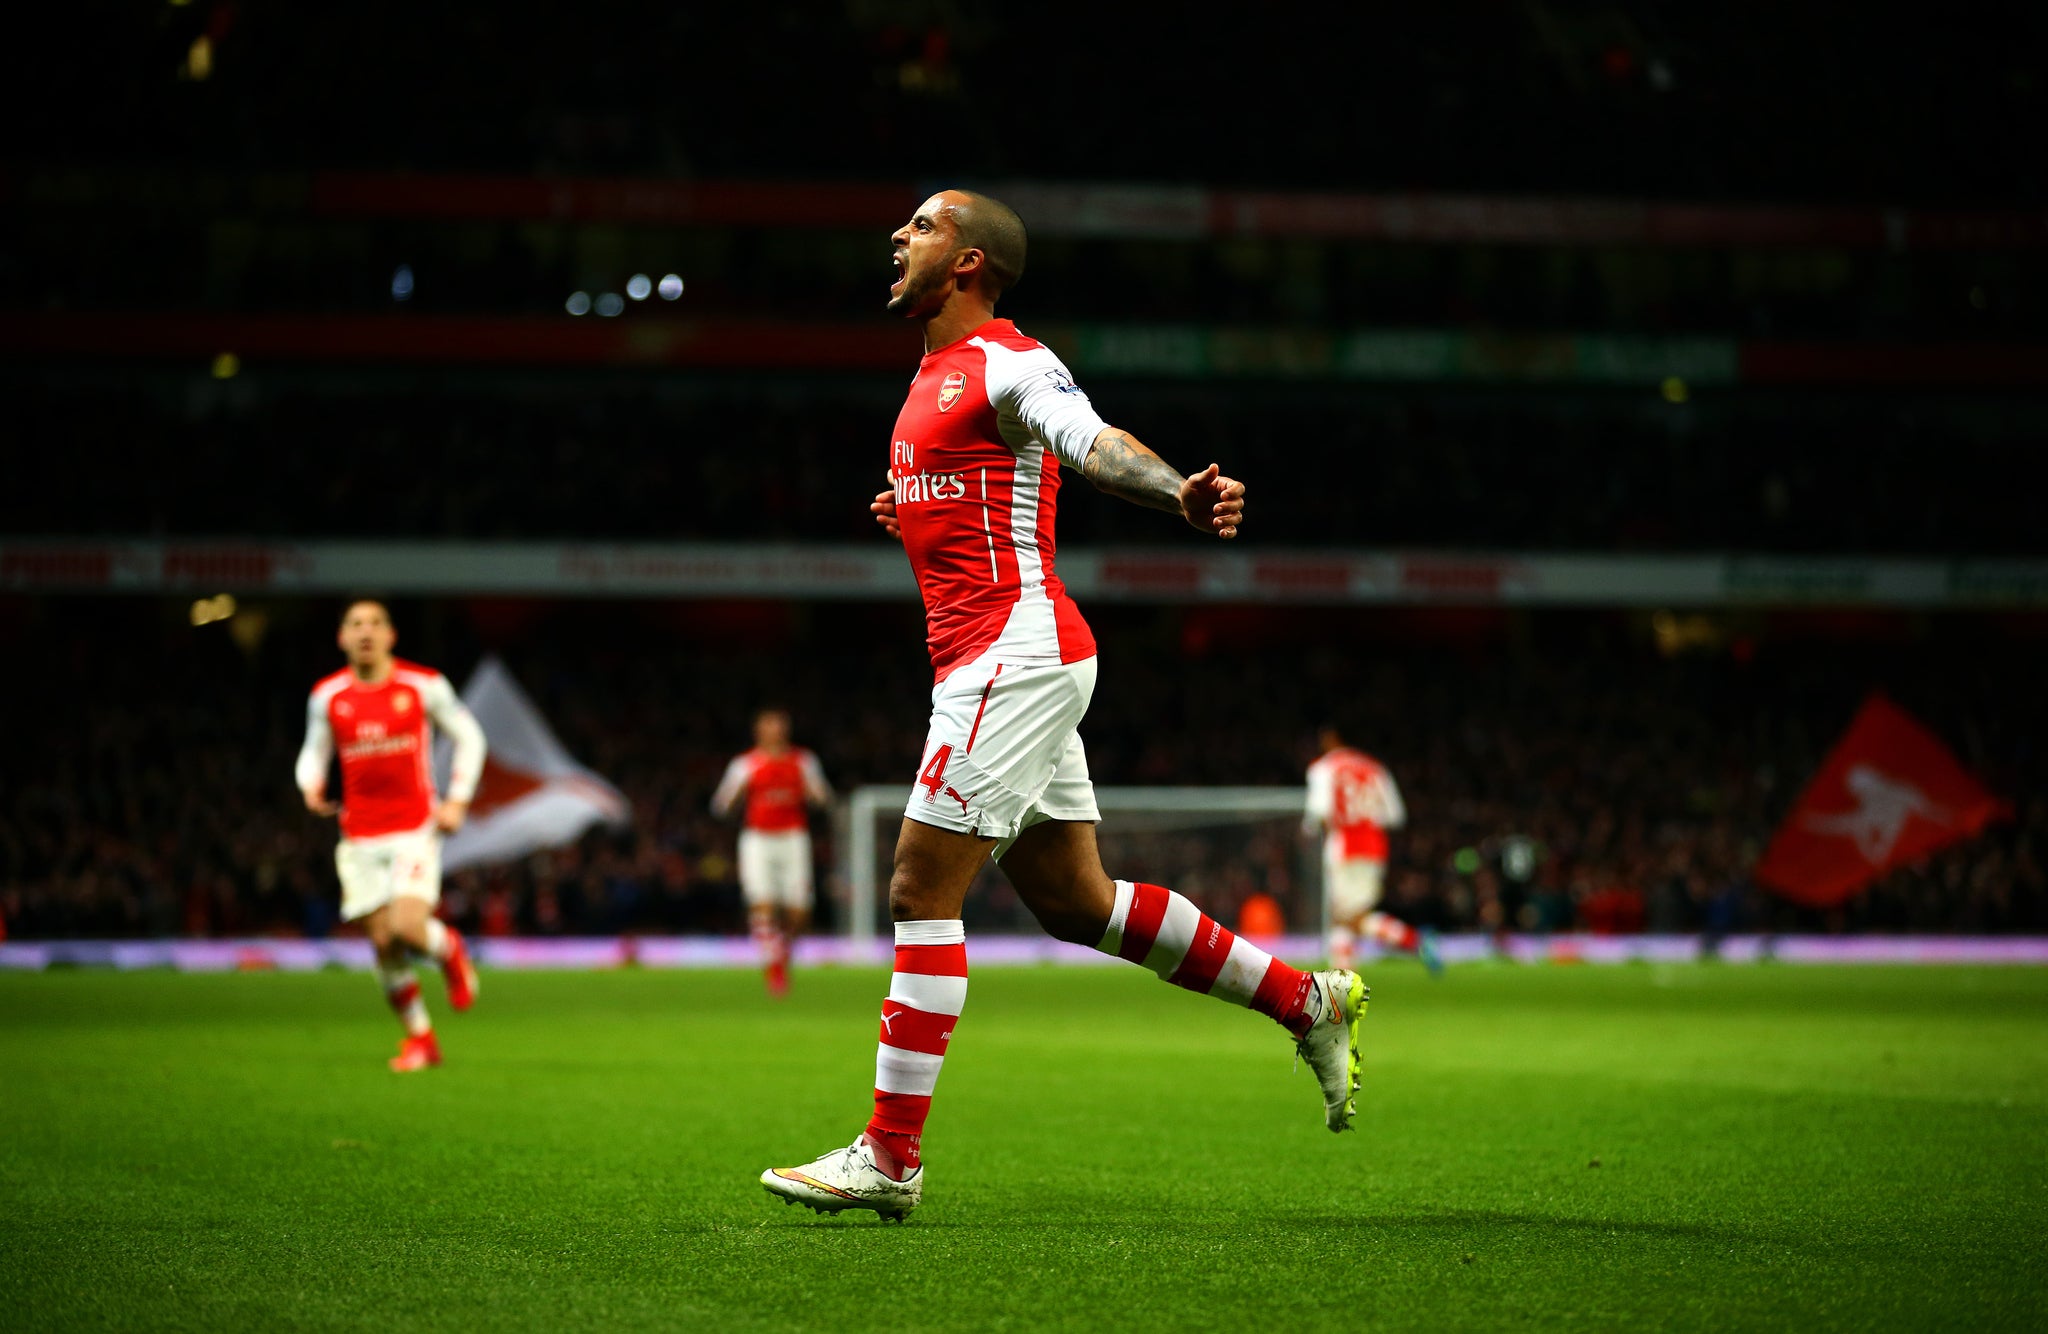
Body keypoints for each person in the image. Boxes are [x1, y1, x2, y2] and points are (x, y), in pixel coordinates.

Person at [760, 190, 1367, 1222]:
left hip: (1011, 650)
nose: (896, 238)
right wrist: (905, 505)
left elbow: (1085, 438)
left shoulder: (1011, 359)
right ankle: (1304, 998)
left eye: (920, 226)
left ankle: (889, 1155)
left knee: (917, 884)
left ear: (971, 261)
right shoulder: (929, 376)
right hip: (1001, 654)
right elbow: (983, 485)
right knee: (1075, 902)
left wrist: (1172, 488)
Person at [295, 599, 487, 1072]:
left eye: (375, 623)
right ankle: (422, 1038)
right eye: (355, 624)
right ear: (341, 637)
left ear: (391, 636)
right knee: (383, 944)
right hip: (358, 837)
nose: (366, 631)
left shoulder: (423, 685)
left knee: (405, 925)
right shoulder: (328, 696)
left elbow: (471, 736)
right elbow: (313, 752)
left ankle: (449, 950)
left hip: (414, 829)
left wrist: (458, 799)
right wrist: (310, 785)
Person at [710, 708, 834, 996]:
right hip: (758, 839)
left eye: (779, 726)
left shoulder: (803, 761)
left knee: (798, 910)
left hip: (793, 838)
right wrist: (738, 793)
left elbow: (823, 798)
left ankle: (781, 955)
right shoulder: (745, 764)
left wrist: (813, 793)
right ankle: (774, 966)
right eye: (769, 726)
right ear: (759, 731)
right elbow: (720, 805)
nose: (775, 732)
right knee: (762, 902)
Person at [1305, 727, 1441, 975]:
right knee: (1349, 916)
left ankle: (1414, 940)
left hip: (1344, 847)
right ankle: (1341, 980)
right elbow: (1395, 816)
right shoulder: (1375, 768)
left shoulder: (1325, 768)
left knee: (1347, 917)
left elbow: (1319, 813)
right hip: (1374, 848)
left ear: (1331, 738)